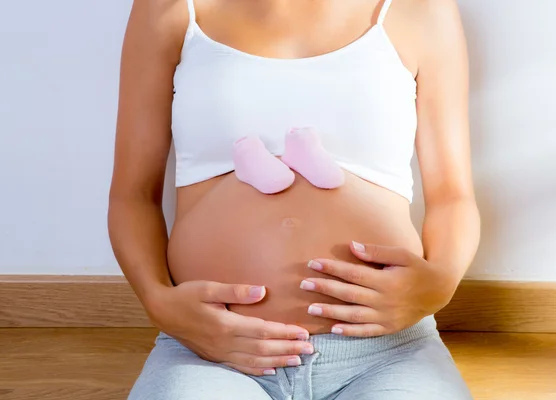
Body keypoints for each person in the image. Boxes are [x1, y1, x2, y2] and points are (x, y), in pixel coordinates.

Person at [108, 0, 480, 398]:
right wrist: (157, 300)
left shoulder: (421, 9)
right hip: (213, 350)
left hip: (386, 349)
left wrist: (441, 282)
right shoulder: (169, 8)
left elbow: (452, 196)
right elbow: (132, 196)